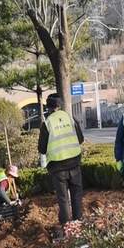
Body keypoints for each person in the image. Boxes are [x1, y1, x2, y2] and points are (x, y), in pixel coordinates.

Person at [38, 94, 84, 227]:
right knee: (76, 195)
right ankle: (78, 223)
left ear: (49, 107)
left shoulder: (47, 123)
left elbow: (42, 149)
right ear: (60, 105)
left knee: (63, 199)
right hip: (74, 164)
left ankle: (66, 226)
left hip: (57, 168)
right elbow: (80, 139)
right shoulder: (70, 118)